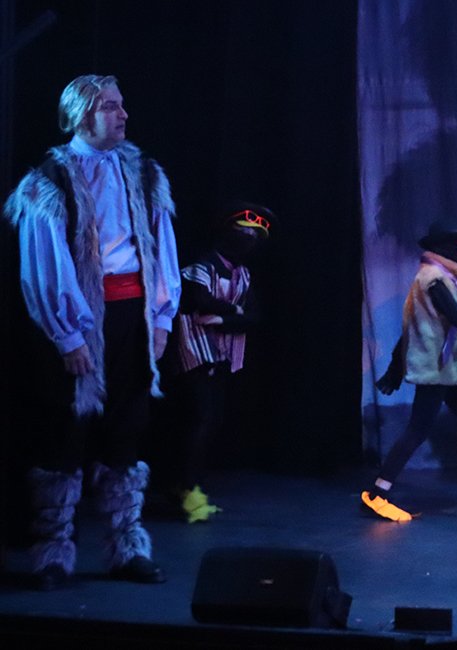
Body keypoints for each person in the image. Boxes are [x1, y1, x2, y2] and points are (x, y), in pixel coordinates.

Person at [4, 75, 181, 588]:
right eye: (110, 106)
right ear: (83, 116)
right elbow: (45, 266)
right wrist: (69, 335)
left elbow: (162, 247)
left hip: (131, 318)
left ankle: (127, 547)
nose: (122, 115)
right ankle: (53, 551)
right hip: (82, 320)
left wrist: (161, 319)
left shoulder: (144, 173)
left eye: (121, 105)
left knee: (127, 428)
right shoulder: (49, 181)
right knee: (65, 432)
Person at [361, 220, 457, 522]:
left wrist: (395, 367)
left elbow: (412, 326)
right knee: (418, 429)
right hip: (436, 370)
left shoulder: (438, 276)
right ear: (448, 248)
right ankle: (377, 493)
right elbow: (452, 314)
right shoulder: (433, 278)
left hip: (448, 369)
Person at [162, 201, 275, 522]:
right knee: (199, 418)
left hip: (223, 353)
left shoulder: (244, 275)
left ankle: (187, 483)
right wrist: (233, 310)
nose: (249, 240)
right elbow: (197, 300)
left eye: (255, 237)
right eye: (244, 232)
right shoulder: (203, 266)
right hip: (194, 351)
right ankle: (187, 487)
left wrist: (223, 317)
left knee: (212, 419)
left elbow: (254, 317)